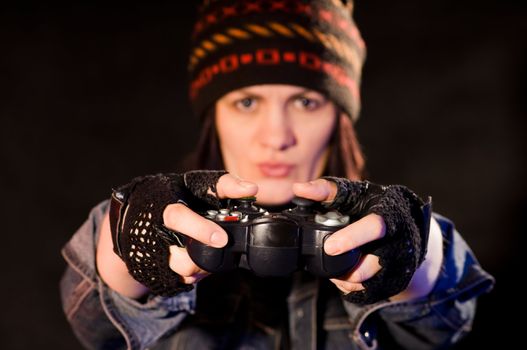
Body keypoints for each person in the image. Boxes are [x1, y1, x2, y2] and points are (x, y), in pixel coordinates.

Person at [60, 0, 495, 349]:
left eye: (306, 102)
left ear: (338, 119)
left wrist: (413, 245)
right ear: (214, 117)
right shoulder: (161, 236)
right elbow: (96, 321)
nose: (276, 136)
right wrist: (130, 237)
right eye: (246, 102)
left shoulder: (380, 246)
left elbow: (444, 322)